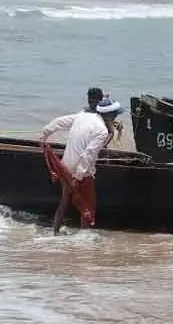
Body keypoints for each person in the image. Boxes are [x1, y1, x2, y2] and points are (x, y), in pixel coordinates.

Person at [40, 96, 124, 234]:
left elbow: (59, 122)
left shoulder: (82, 116)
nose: (115, 118)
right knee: (87, 207)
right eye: (114, 115)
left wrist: (45, 133)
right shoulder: (102, 131)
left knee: (64, 201)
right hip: (82, 171)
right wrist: (78, 177)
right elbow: (88, 154)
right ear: (109, 115)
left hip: (65, 166)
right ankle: (83, 241)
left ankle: (55, 232)